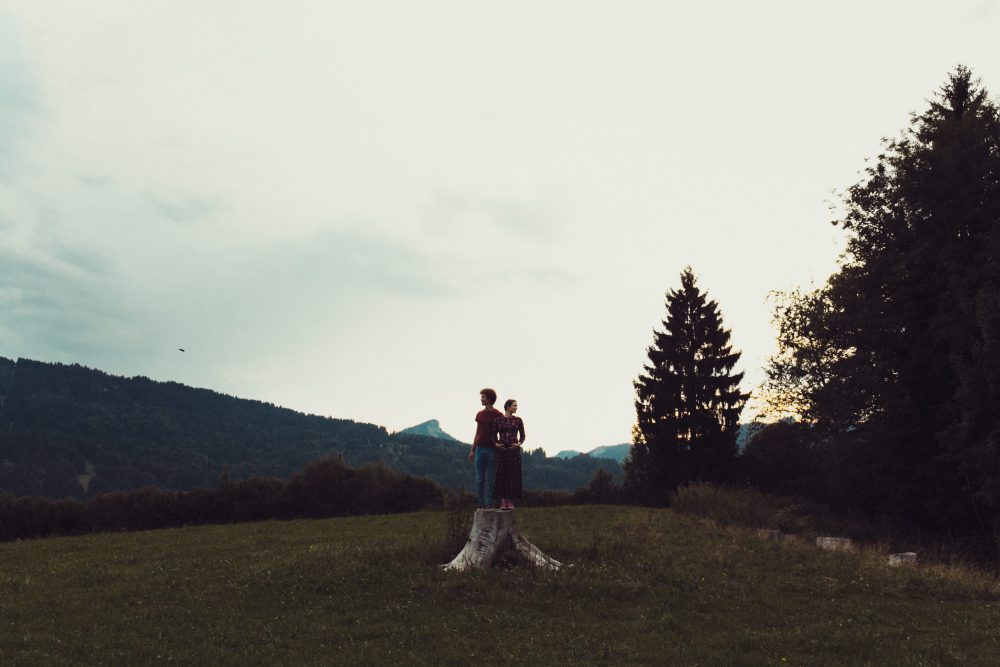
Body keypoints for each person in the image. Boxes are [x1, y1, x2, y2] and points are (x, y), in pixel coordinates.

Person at [468, 387, 503, 509]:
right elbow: (477, 433)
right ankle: (481, 505)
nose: (481, 399)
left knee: (490, 479)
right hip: (480, 450)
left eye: (483, 397)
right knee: (479, 478)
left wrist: (500, 448)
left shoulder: (498, 415)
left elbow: (501, 433)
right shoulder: (480, 414)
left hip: (492, 450)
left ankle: (489, 505)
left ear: (489, 398)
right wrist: (473, 450)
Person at [494, 398, 525, 510]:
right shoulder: (498, 420)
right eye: (514, 406)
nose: (516, 408)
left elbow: (522, 436)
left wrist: (519, 444)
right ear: (508, 407)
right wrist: (496, 444)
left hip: (514, 452)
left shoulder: (518, 420)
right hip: (502, 451)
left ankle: (511, 501)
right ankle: (503, 501)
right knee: (501, 475)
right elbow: (493, 436)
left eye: (516, 406)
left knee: (513, 475)